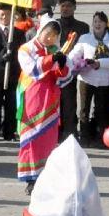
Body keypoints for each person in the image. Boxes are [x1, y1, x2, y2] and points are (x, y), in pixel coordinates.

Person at [16, 18, 71, 195]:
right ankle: (31, 179)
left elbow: (64, 78)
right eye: (48, 33)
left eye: (54, 36)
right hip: (32, 97)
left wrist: (62, 65)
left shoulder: (56, 50)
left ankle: (47, 176)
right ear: (40, 30)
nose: (50, 38)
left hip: (50, 98)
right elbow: (31, 69)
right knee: (31, 138)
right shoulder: (26, 49)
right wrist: (51, 59)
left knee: (48, 139)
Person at [68, 11, 109, 147]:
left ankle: (100, 138)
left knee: (100, 110)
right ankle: (84, 137)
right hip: (86, 79)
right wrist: (76, 61)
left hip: (103, 80)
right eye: (95, 21)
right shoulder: (85, 38)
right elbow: (75, 53)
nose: (97, 24)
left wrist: (100, 63)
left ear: (105, 24)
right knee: (84, 109)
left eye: (100, 22)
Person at [0, 6, 26, 142]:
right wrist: (2, 57)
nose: (4, 17)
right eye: (1, 15)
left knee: (11, 104)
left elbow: (23, 52)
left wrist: (13, 54)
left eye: (7, 14)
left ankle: (9, 131)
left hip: (13, 74)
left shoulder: (18, 33)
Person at [56, 0, 88, 142]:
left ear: (74, 8)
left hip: (73, 70)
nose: (65, 8)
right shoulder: (54, 25)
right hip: (55, 69)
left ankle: (70, 132)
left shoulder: (82, 27)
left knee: (70, 102)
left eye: (69, 6)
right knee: (56, 103)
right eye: (63, 6)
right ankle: (56, 131)